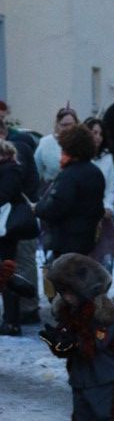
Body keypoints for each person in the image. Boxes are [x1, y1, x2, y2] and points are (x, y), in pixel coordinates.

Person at [39, 253, 114, 421]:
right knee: (82, 418)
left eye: (69, 292)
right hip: (81, 374)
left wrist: (75, 342)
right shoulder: (69, 311)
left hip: (104, 374)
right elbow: (71, 346)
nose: (66, 297)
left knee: (103, 417)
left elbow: (96, 344)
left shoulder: (102, 312)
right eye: (63, 292)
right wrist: (59, 342)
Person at [35, 125, 105, 259]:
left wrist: (38, 208)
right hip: (87, 238)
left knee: (65, 277)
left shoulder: (68, 175)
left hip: (66, 240)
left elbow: (56, 208)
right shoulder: (95, 172)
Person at [84, 117, 114, 275]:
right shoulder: (79, 159)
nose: (97, 137)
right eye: (93, 132)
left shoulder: (108, 159)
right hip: (83, 215)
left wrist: (108, 207)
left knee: (103, 260)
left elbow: (112, 187)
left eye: (100, 133)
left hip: (102, 214)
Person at [0, 139, 26, 335]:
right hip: (5, 228)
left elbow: (4, 195)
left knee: (7, 271)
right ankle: (10, 319)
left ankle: (11, 321)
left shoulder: (11, 170)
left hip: (6, 229)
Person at [34, 107, 79, 190]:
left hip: (76, 189)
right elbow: (36, 171)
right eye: (64, 125)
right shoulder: (46, 143)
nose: (68, 128)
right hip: (52, 189)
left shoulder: (82, 144)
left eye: (72, 125)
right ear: (57, 125)